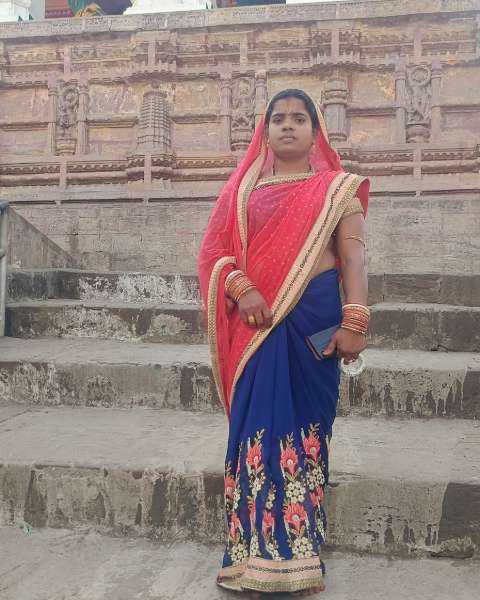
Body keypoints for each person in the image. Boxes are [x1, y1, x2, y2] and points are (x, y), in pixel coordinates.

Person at [198, 89, 370, 595]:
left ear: (316, 133)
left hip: (316, 322)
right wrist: (242, 287)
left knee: (305, 436)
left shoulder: (337, 189)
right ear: (265, 131)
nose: (288, 125)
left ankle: (300, 552)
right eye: (278, 119)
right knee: (260, 432)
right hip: (258, 326)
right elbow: (214, 254)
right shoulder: (242, 192)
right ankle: (251, 559)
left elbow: (353, 259)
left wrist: (356, 320)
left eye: (299, 118)